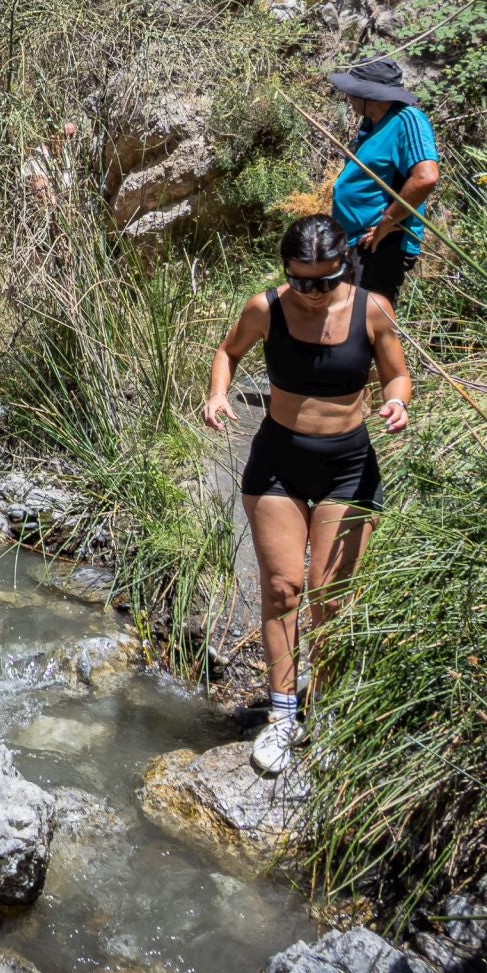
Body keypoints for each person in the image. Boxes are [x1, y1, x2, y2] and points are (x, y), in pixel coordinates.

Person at [202, 214, 413, 775]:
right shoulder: (264, 308)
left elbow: (397, 374)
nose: (313, 293)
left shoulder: (372, 310)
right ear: (286, 271)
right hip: (278, 460)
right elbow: (229, 353)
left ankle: (324, 710)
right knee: (282, 587)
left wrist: (397, 401)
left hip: (349, 464)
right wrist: (217, 395)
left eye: (325, 280)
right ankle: (282, 713)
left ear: (345, 266)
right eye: (301, 281)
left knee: (330, 596)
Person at [328, 59, 440, 305]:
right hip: (360, 241)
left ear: (371, 95)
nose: (349, 97)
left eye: (354, 92)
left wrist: (386, 223)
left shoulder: (407, 120)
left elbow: (426, 177)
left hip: (381, 243)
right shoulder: (373, 124)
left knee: (369, 322)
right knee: (350, 317)